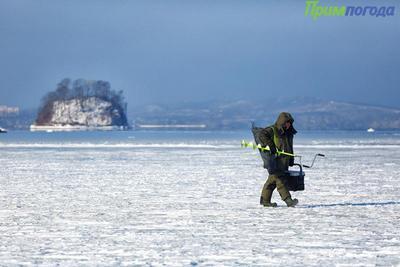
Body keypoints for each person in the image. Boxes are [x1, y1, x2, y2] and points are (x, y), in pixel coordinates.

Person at [259, 112, 299, 207]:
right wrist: (271, 146)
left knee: (272, 181)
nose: (288, 125)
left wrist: (291, 159)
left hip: (284, 162)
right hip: (274, 161)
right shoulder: (273, 130)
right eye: (287, 122)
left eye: (290, 123)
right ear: (282, 122)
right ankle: (288, 200)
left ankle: (265, 200)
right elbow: (262, 135)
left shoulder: (288, 133)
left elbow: (289, 148)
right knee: (281, 180)